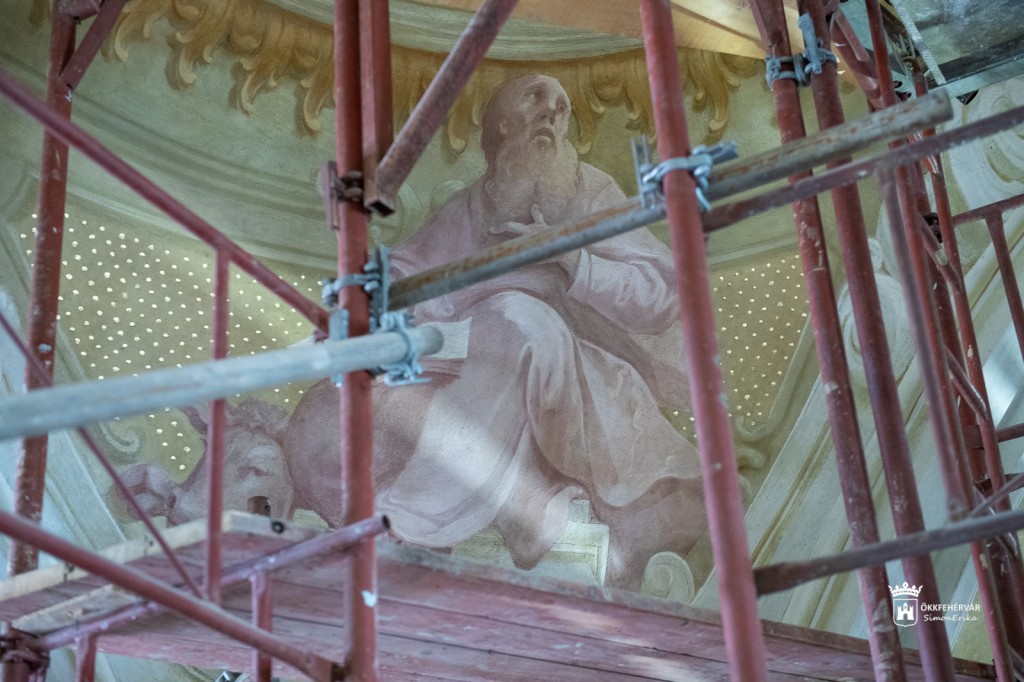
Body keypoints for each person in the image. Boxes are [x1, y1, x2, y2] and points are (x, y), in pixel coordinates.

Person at [286, 74, 706, 588]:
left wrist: (570, 256)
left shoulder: (590, 192)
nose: (552, 112)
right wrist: (368, 295)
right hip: (468, 359)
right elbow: (411, 277)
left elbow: (660, 295)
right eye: (536, 98)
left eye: (562, 107)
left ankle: (415, 517)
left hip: (574, 370)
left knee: (517, 321)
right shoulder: (468, 206)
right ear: (503, 123)